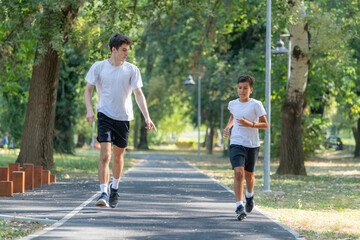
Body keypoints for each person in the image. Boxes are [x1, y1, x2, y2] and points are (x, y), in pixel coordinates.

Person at [84, 33, 157, 208]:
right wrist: (89, 109)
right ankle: (103, 192)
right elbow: (88, 90)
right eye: (124, 50)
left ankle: (114, 187)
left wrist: (147, 117)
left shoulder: (132, 69)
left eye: (128, 50)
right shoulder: (99, 67)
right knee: (106, 155)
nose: (126, 53)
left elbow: (138, 94)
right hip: (104, 115)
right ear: (114, 49)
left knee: (118, 156)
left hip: (124, 117)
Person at [223, 75, 268, 221]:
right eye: (239, 88)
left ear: (251, 90)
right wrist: (228, 127)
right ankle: (239, 206)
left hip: (252, 144)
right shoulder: (232, 104)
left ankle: (249, 196)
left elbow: (265, 124)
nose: (242, 91)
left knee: (249, 176)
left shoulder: (256, 104)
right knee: (238, 173)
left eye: (245, 88)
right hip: (236, 142)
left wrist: (251, 124)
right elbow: (233, 116)